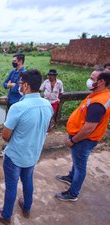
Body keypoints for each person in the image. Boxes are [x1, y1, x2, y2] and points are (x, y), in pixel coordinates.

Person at [0, 69, 53, 224]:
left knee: (11, 187)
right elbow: (47, 126)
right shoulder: (47, 105)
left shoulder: (18, 107)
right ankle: (26, 207)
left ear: (25, 86)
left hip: (16, 155)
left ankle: (5, 216)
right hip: (33, 154)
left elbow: (5, 136)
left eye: (19, 83)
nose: (18, 86)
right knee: (28, 181)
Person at [55, 70, 110, 201]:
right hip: (83, 138)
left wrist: (73, 140)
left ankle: (73, 193)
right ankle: (70, 177)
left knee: (80, 166)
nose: (89, 80)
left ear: (101, 82)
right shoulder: (99, 95)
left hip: (84, 140)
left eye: (92, 78)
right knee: (77, 161)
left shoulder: (99, 102)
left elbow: (89, 128)